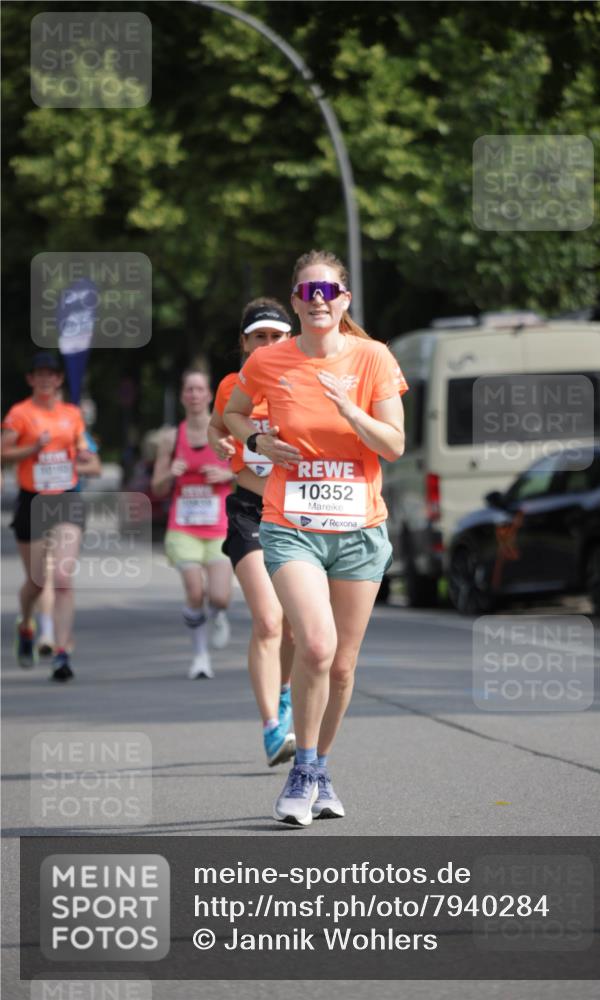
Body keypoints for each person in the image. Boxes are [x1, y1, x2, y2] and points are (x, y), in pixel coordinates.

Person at [224, 251, 407, 826]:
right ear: (297, 300)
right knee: (318, 646)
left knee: (345, 666)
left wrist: (351, 410)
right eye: (308, 292)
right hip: (290, 524)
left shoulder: (373, 357)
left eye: (329, 291)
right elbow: (232, 415)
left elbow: (394, 445)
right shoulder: (270, 362)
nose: (318, 301)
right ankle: (301, 769)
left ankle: (322, 765)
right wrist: (257, 443)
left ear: (344, 300)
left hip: (360, 529)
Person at [209, 298, 297, 767]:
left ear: (290, 339)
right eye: (258, 337)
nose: (267, 345)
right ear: (243, 343)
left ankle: (284, 693)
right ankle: (270, 728)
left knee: (295, 630)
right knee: (268, 619)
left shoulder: (302, 382)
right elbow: (215, 424)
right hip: (249, 511)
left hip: (298, 514)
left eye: (277, 336)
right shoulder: (231, 386)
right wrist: (220, 439)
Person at [1, 352, 92, 681]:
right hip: (32, 501)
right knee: (38, 582)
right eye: (39, 374)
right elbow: (3, 451)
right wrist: (31, 449)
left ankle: (62, 651)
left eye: (51, 375)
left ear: (59, 380)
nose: (45, 379)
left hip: (66, 498)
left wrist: (83, 454)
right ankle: (26, 624)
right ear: (30, 379)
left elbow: (84, 449)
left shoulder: (72, 414)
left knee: (63, 580)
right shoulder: (20, 414)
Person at [152, 369, 235, 680]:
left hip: (219, 526)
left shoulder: (227, 432)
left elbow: (249, 470)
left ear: (210, 395)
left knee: (220, 596)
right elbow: (157, 487)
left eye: (200, 389)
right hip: (183, 527)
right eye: (189, 390)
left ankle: (218, 615)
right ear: (183, 396)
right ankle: (200, 657)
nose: (195, 395)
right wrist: (170, 472)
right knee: (194, 590)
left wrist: (230, 475)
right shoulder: (171, 438)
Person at [36, 394, 102, 656]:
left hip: (68, 503)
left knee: (61, 575)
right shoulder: (31, 426)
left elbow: (95, 467)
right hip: (37, 503)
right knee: (43, 575)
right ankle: (46, 631)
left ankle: (57, 641)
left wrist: (72, 464)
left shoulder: (75, 429)